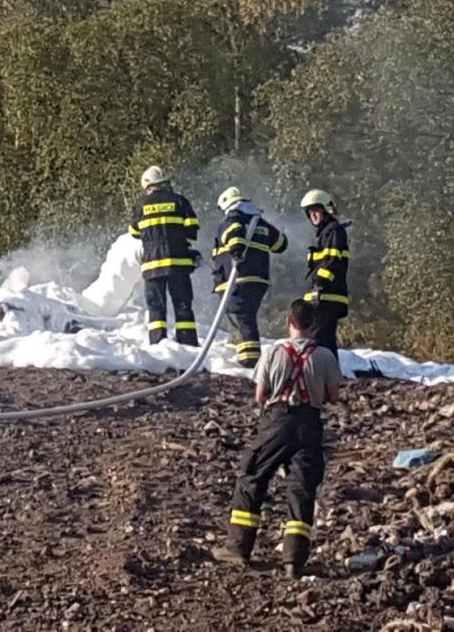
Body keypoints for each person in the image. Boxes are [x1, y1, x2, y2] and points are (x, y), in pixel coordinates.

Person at [213, 299, 343, 578]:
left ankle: (238, 548)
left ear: (288, 322)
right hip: (309, 425)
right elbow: (334, 397)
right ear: (313, 324)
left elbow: (260, 395)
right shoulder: (325, 356)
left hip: (276, 422)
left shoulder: (273, 352)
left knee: (252, 476)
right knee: (302, 488)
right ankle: (293, 560)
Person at [211, 186, 287, 368]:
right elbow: (281, 244)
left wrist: (237, 250)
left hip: (238, 278)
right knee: (243, 314)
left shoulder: (232, 219)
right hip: (259, 279)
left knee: (242, 314)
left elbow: (234, 235)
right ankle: (238, 345)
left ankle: (250, 359)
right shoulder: (261, 223)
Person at [128, 165, 200, 345]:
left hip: (152, 264)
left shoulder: (141, 205)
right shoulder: (180, 201)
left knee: (156, 307)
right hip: (179, 263)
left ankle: (158, 344)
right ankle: (188, 343)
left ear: (148, 186)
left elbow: (134, 232)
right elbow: (192, 229)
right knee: (183, 304)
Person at [300, 189, 350, 357]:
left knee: (320, 340)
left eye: (316, 210)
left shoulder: (333, 231)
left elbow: (334, 261)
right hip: (323, 296)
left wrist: (319, 283)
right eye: (310, 212)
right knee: (323, 340)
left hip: (327, 295)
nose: (313, 215)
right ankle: (329, 371)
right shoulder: (324, 234)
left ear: (326, 210)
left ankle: (326, 371)